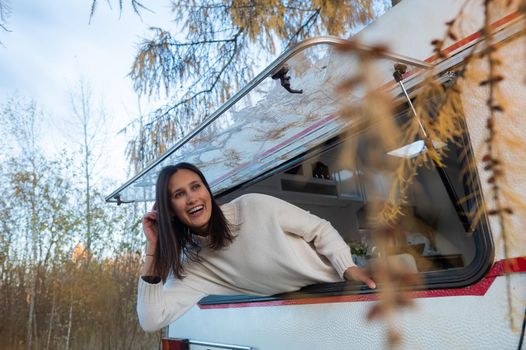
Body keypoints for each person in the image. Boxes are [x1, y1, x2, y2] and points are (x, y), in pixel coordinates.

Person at [138, 162, 376, 332]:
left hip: (343, 289)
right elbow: (151, 320)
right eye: (179, 194)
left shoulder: (252, 207)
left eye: (196, 186)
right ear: (169, 209)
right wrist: (154, 248)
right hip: (305, 313)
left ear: (207, 191)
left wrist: (348, 267)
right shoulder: (192, 266)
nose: (192, 198)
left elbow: (319, 229)